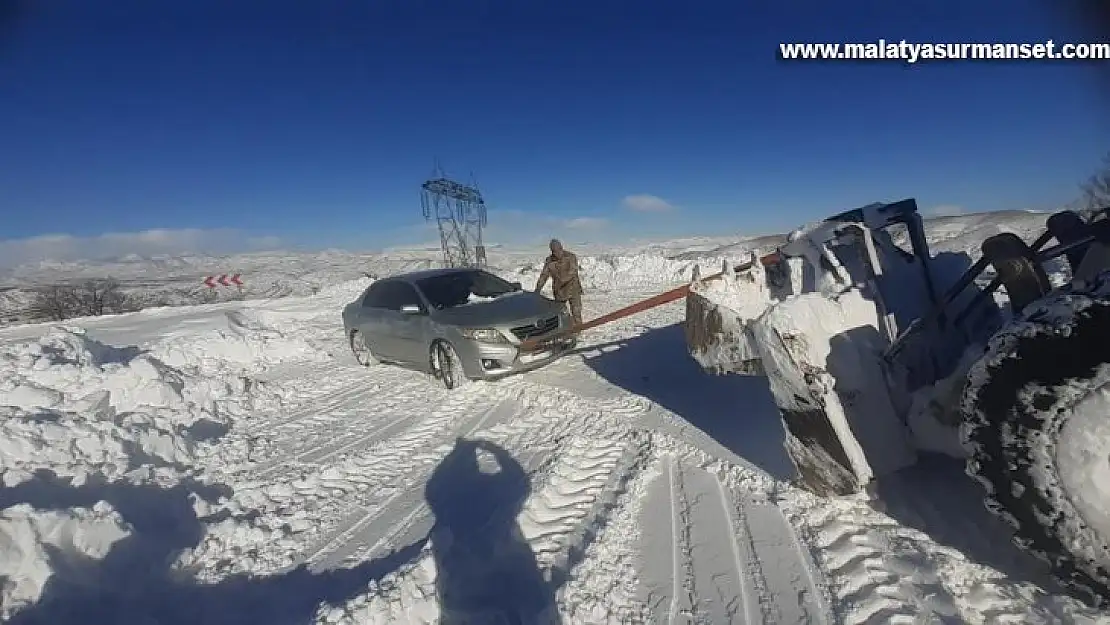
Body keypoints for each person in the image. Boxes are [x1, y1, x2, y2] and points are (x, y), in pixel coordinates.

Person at [534, 238, 583, 326]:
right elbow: (544, 275)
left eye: (559, 250)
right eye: (555, 251)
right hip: (560, 291)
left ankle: (579, 328)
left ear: (561, 248)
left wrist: (562, 280)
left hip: (573, 289)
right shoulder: (549, 261)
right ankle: (564, 330)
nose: (557, 253)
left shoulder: (571, 257)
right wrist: (538, 289)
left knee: (576, 311)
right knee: (561, 314)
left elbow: (573, 271)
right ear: (552, 251)